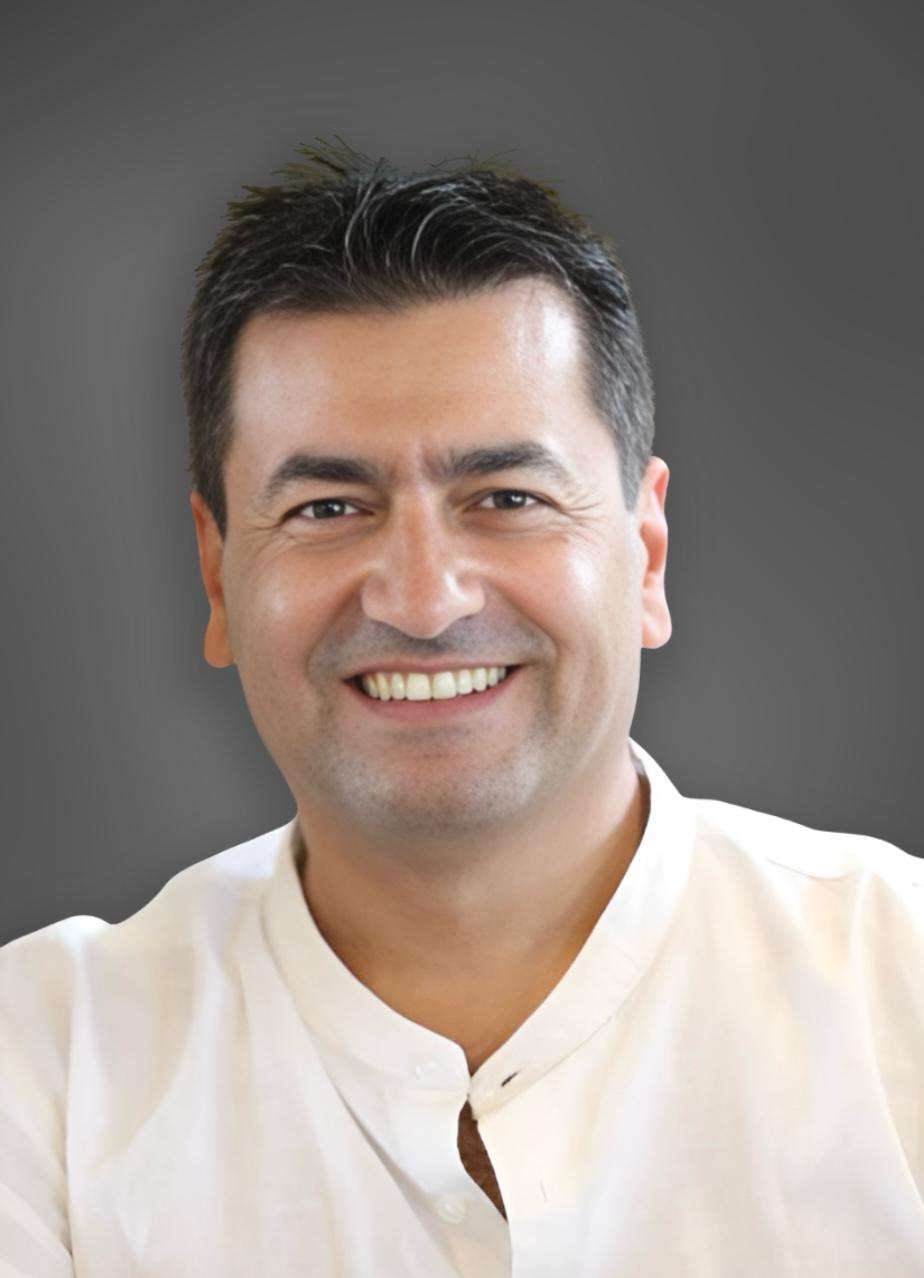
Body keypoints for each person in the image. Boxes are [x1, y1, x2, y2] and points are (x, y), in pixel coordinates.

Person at [1, 140, 922, 1278]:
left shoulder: (903, 984)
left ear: (645, 553)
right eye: (328, 507)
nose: (424, 600)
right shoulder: (40, 1069)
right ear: (216, 574)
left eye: (507, 497)